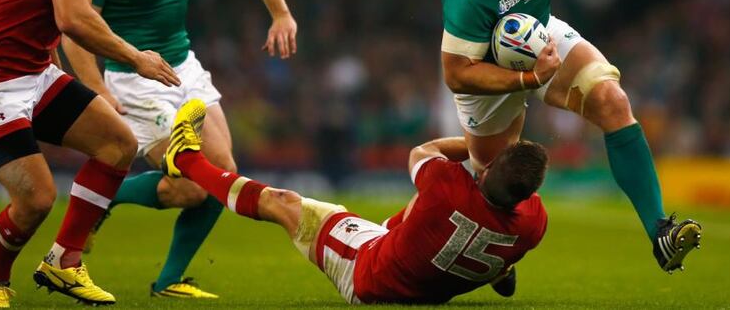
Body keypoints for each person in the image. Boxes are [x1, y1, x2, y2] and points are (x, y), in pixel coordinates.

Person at [439, 0, 701, 272]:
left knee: (611, 99)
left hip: (539, 34)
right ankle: (499, 264)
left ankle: (660, 231)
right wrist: (528, 80)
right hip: (485, 68)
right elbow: (457, 73)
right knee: (498, 184)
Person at [61, 0, 297, 298]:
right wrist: (96, 87)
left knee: (222, 177)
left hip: (184, 68)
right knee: (195, 187)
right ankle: (100, 199)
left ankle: (167, 280)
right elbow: (75, 27)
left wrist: (280, 13)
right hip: (134, 79)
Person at [0, 0, 182, 307]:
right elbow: (73, 17)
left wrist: (49, 52)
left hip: (33, 72)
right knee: (37, 198)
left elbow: (31, 6)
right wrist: (137, 58)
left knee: (119, 141)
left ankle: (64, 262)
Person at [159, 98, 548, 304]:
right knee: (421, 217)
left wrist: (478, 146)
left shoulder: (447, 187)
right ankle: (497, 269)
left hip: (369, 272)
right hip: (431, 277)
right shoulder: (535, 222)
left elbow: (422, 151)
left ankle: (185, 158)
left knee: (283, 203)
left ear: (488, 165)